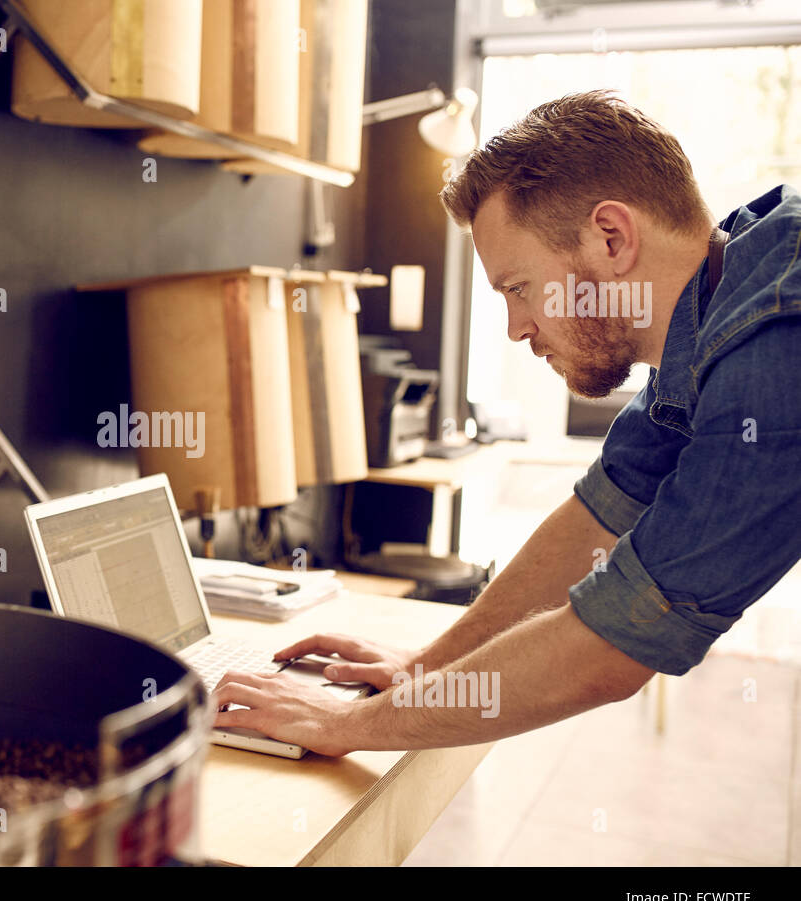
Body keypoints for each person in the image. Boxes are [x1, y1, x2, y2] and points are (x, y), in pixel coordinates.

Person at [213, 90, 801, 756]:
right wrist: (425, 667)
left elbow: (614, 645)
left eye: (518, 288)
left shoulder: (774, 343)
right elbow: (600, 514)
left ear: (612, 237)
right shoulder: (725, 290)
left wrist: (342, 725)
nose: (518, 328)